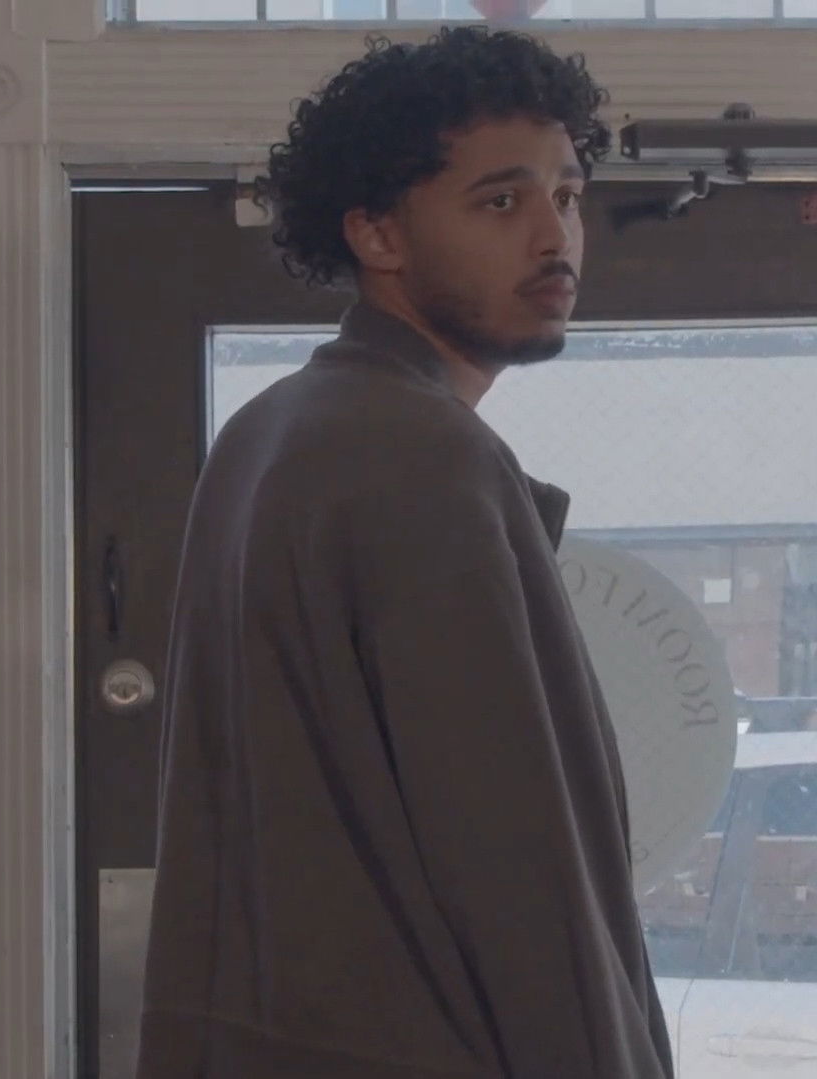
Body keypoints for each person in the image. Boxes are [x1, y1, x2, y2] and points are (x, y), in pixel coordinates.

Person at [136, 28, 674, 1079]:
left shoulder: (271, 430)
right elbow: (518, 867)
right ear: (376, 232)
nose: (555, 236)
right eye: (500, 201)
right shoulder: (422, 455)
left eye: (568, 195)